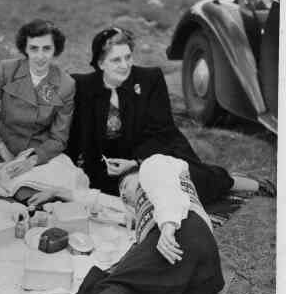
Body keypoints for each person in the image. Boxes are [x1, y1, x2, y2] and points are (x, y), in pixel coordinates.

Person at [31, 154, 225, 294]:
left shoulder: (154, 166)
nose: (122, 193)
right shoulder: (141, 206)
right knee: (96, 285)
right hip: (200, 278)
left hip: (180, 235)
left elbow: (164, 187)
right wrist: (57, 191)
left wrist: (168, 226)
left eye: (125, 185)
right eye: (120, 191)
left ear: (139, 174)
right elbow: (100, 201)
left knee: (115, 287)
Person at [66, 27, 275, 205]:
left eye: (128, 57)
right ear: (101, 64)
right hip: (106, 165)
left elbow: (162, 130)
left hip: (153, 151)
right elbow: (75, 135)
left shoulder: (150, 79)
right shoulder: (82, 87)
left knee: (185, 185)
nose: (124, 65)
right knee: (129, 200)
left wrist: (137, 163)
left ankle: (238, 182)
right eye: (116, 60)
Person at [0, 19, 75, 189]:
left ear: (56, 50)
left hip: (38, 157)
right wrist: (1, 149)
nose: (40, 56)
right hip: (1, 152)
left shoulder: (66, 84)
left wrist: (32, 160)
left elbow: (59, 139)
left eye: (47, 48)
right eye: (33, 48)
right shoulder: (7, 70)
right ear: (24, 49)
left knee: (51, 191)